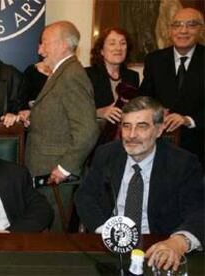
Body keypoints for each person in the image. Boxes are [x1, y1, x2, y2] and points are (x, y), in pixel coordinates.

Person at [75, 96, 204, 271]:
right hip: (110, 248)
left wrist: (178, 242)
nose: (131, 135)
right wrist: (104, 229)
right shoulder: (106, 154)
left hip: (158, 248)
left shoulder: (183, 163)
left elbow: (199, 211)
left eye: (142, 126)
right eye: (126, 126)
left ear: (159, 130)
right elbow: (85, 195)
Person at [23, 21, 99, 184]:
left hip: (55, 175)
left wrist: (65, 168)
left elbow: (88, 130)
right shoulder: (62, 72)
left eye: (45, 42)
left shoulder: (71, 76)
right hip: (44, 169)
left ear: (63, 45)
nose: (40, 50)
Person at [140, 8, 204, 165]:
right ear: (170, 30)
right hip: (161, 145)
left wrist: (188, 120)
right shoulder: (154, 60)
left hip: (200, 146)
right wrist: (158, 112)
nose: (183, 30)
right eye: (177, 25)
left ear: (201, 29)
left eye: (191, 25)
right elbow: (144, 99)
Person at [86, 27, 140, 145]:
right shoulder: (87, 75)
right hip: (95, 140)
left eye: (123, 43)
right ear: (101, 51)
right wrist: (100, 112)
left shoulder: (133, 76)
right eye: (112, 43)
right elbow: (76, 110)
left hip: (127, 139)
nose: (118, 48)